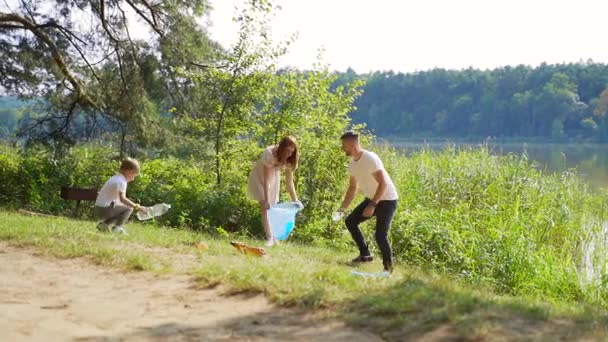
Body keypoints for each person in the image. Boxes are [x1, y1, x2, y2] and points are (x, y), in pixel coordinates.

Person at [337, 131, 399, 273]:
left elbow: (382, 183)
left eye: (344, 145)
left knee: (380, 235)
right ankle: (365, 255)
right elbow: (353, 188)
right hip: (372, 198)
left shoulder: (370, 158)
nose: (342, 148)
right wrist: (342, 209)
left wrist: (372, 205)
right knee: (351, 221)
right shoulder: (352, 163)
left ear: (352, 144)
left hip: (387, 199)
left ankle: (388, 269)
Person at [247, 136, 301, 246]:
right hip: (261, 177)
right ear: (281, 148)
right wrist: (266, 199)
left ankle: (275, 237)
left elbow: (289, 182)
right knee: (265, 207)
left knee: (273, 207)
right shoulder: (270, 153)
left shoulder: (290, 159)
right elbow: (266, 180)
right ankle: (270, 237)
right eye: (287, 150)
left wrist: (295, 200)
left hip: (274, 178)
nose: (289, 154)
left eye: (292, 151)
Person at [94, 158, 147, 235]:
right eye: (133, 174)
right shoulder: (121, 181)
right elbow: (123, 199)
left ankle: (104, 225)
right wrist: (137, 207)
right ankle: (118, 228)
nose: (133, 179)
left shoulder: (116, 177)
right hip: (103, 210)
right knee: (129, 208)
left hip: (99, 208)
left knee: (122, 210)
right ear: (128, 171)